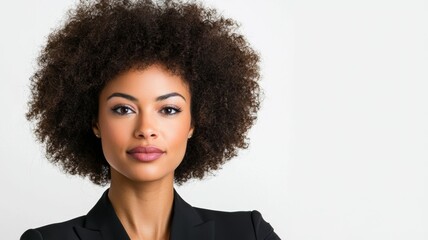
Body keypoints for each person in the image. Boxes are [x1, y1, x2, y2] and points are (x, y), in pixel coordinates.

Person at [21, 0, 281, 239]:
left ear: (194, 122)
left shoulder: (249, 234)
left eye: (168, 110)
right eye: (123, 109)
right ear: (95, 122)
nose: (146, 129)